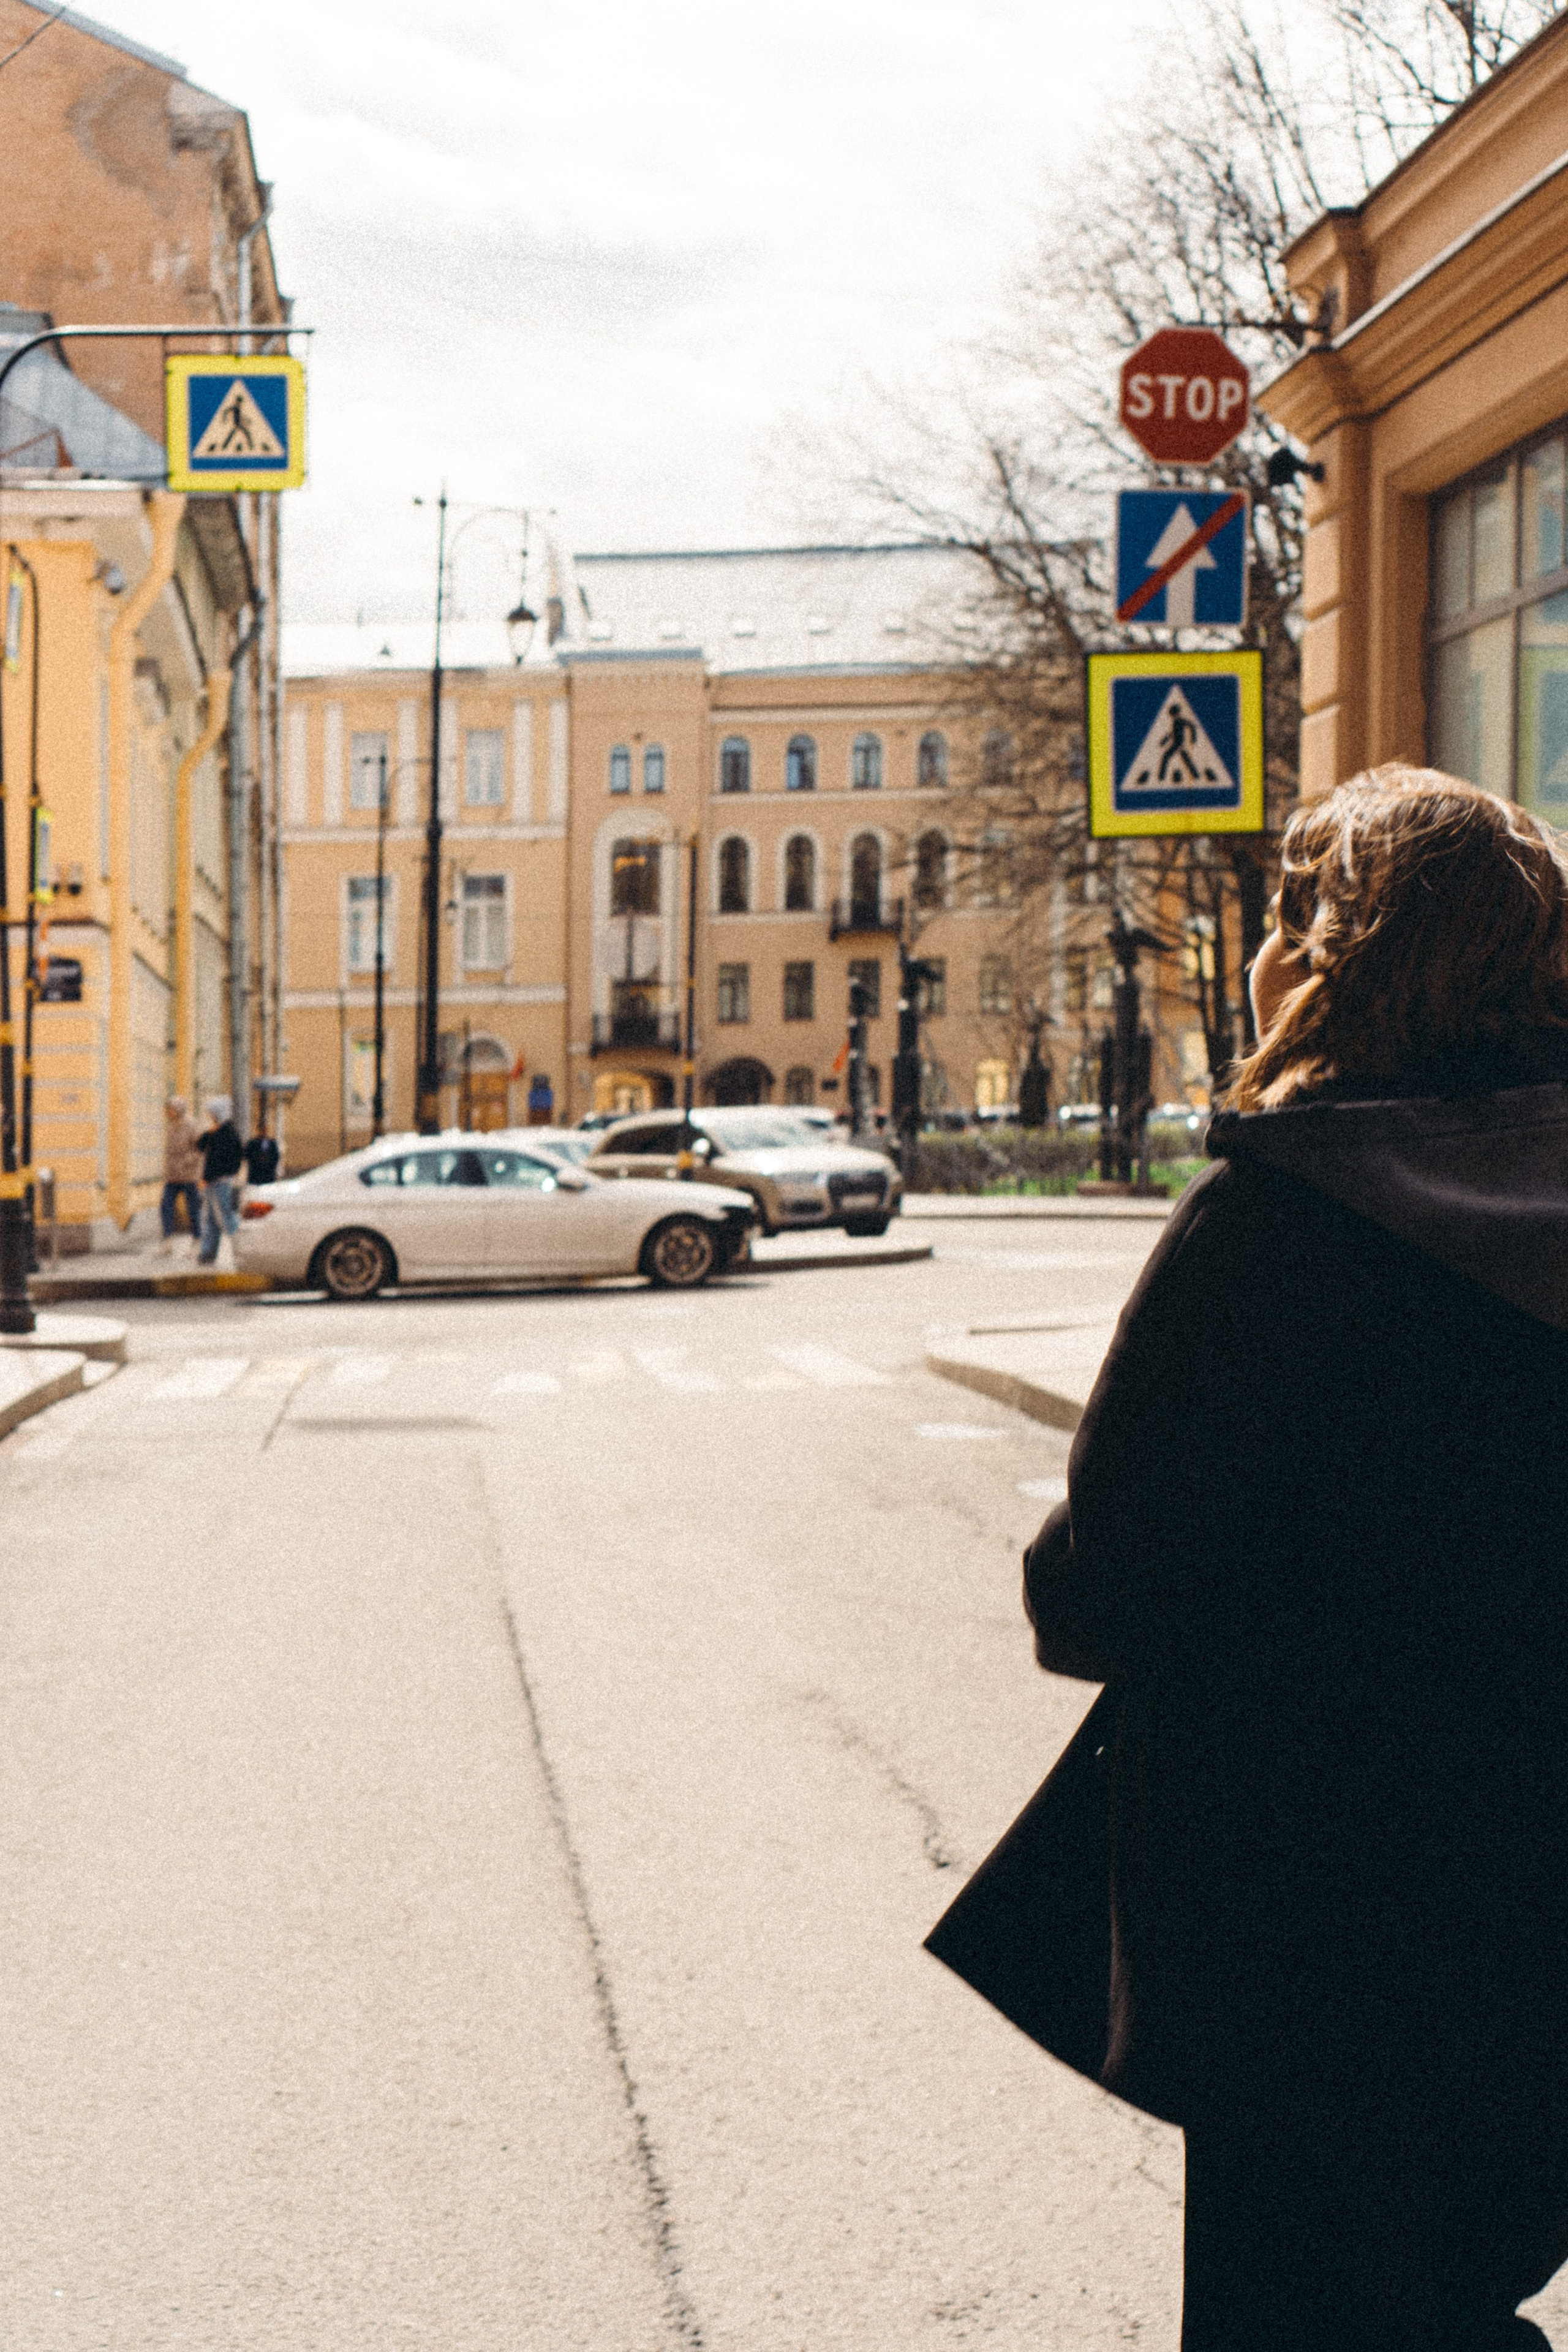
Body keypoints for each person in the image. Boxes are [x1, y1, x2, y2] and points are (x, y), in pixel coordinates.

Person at [1022, 768, 1568, 2351]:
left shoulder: (1283, 1225)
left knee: (1311, 2311)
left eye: (1288, 921)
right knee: (1462, 2289)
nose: (1266, 960)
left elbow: (1103, 1589)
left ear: (1337, 960)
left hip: (1308, 1925)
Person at [197, 1094, 244, 1269]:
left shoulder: (228, 1133)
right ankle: (207, 1253)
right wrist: (210, 1131)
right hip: (214, 1181)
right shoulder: (217, 1131)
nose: (211, 1117)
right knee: (210, 1218)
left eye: (212, 1114)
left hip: (220, 1182)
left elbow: (217, 1160)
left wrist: (207, 1179)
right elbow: (200, 1145)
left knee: (225, 1217)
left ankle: (242, 1250)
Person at [156, 1096, 203, 1258]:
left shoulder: (191, 1125)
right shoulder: (171, 1126)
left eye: (172, 1109)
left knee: (192, 1210)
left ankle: (197, 1242)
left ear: (180, 1109)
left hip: (189, 1176)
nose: (170, 1112)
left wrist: (185, 1162)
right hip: (172, 1177)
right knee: (165, 1207)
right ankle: (167, 1242)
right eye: (168, 1109)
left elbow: (199, 1149)